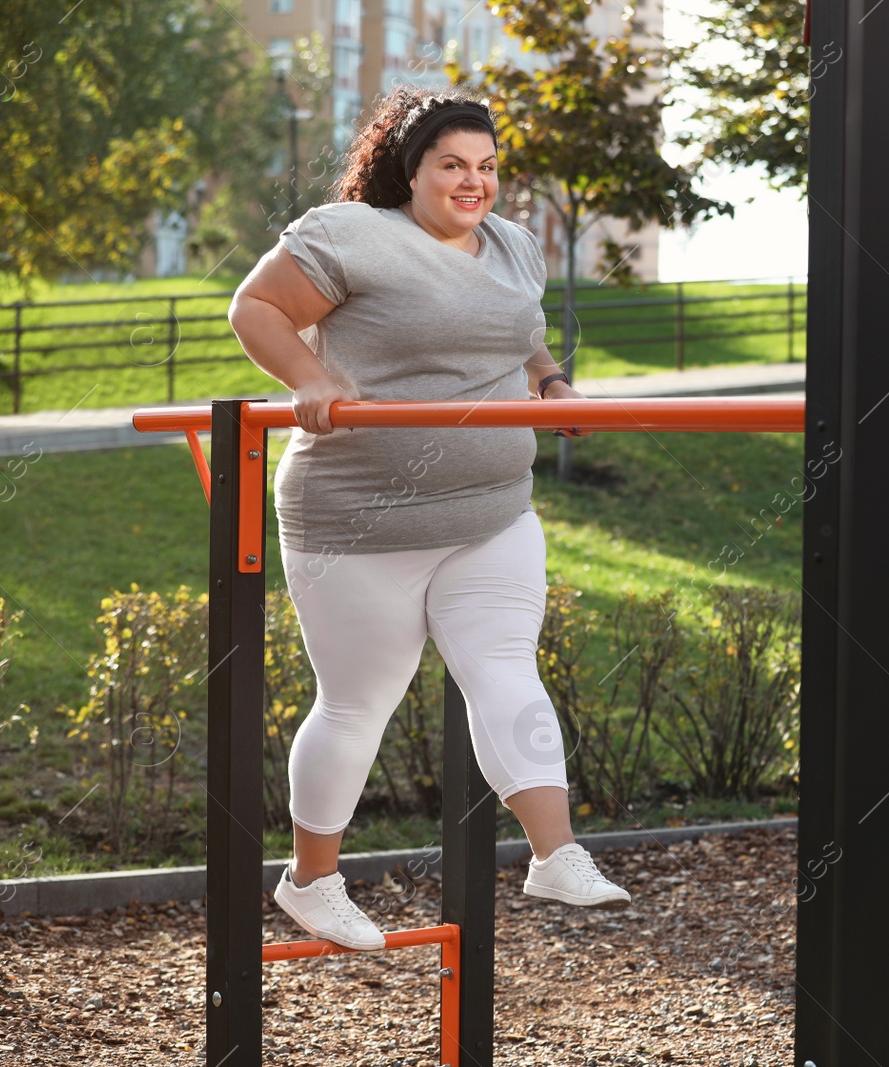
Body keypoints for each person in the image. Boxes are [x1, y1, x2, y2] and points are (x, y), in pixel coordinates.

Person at [227, 86, 628, 951]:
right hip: (359, 519)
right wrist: (309, 375)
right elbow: (254, 308)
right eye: (452, 165)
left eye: (486, 167)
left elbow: (521, 331)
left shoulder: (516, 246)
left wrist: (551, 383)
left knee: (506, 670)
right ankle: (312, 880)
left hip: (491, 512)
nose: (472, 181)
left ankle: (556, 853)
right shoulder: (350, 235)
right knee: (358, 703)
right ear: (413, 171)